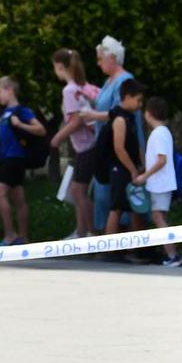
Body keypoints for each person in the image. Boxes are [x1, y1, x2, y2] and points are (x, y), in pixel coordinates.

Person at [80, 36, 141, 234]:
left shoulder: (124, 80)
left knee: (116, 196)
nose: (98, 63)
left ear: (112, 58)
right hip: (107, 147)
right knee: (107, 194)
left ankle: (117, 243)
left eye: (100, 59)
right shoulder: (110, 81)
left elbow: (118, 113)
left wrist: (91, 115)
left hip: (118, 147)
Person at [0, 75, 43, 246]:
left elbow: (40, 129)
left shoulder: (21, 111)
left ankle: (10, 234)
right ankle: (23, 238)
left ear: (10, 90)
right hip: (6, 158)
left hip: (15, 158)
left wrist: (20, 125)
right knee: (18, 197)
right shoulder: (3, 115)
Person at [50, 49, 99, 241]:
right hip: (92, 144)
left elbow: (76, 120)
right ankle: (81, 232)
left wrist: (57, 138)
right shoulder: (88, 87)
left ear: (60, 67)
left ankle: (92, 234)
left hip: (86, 146)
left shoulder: (69, 90)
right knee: (79, 190)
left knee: (79, 190)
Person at [136, 96, 181, 266]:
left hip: (160, 183)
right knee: (160, 217)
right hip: (161, 183)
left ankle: (172, 254)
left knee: (158, 217)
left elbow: (161, 160)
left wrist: (144, 176)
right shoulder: (162, 132)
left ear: (148, 114)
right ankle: (169, 253)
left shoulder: (159, 133)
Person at [103, 79, 146, 238]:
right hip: (120, 169)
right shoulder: (120, 119)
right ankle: (110, 250)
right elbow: (119, 148)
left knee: (134, 208)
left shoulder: (130, 117)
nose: (140, 105)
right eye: (138, 100)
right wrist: (133, 169)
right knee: (117, 208)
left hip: (128, 168)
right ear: (127, 97)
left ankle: (136, 247)